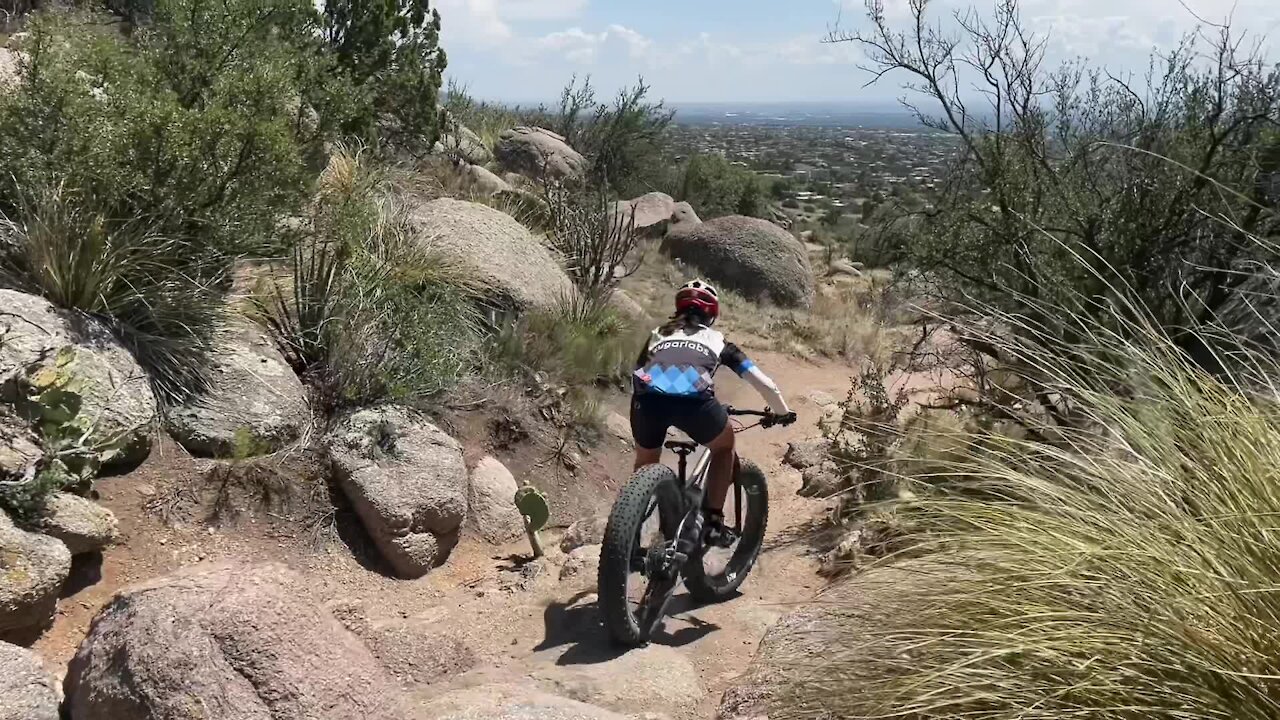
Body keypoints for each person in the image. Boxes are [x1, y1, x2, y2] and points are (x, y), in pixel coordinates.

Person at [630, 279, 796, 542]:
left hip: (647, 402)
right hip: (695, 404)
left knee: (645, 461)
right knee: (723, 446)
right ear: (712, 315)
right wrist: (783, 411)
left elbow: (637, 372)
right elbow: (763, 383)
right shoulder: (717, 341)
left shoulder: (657, 333)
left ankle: (628, 529)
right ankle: (713, 522)